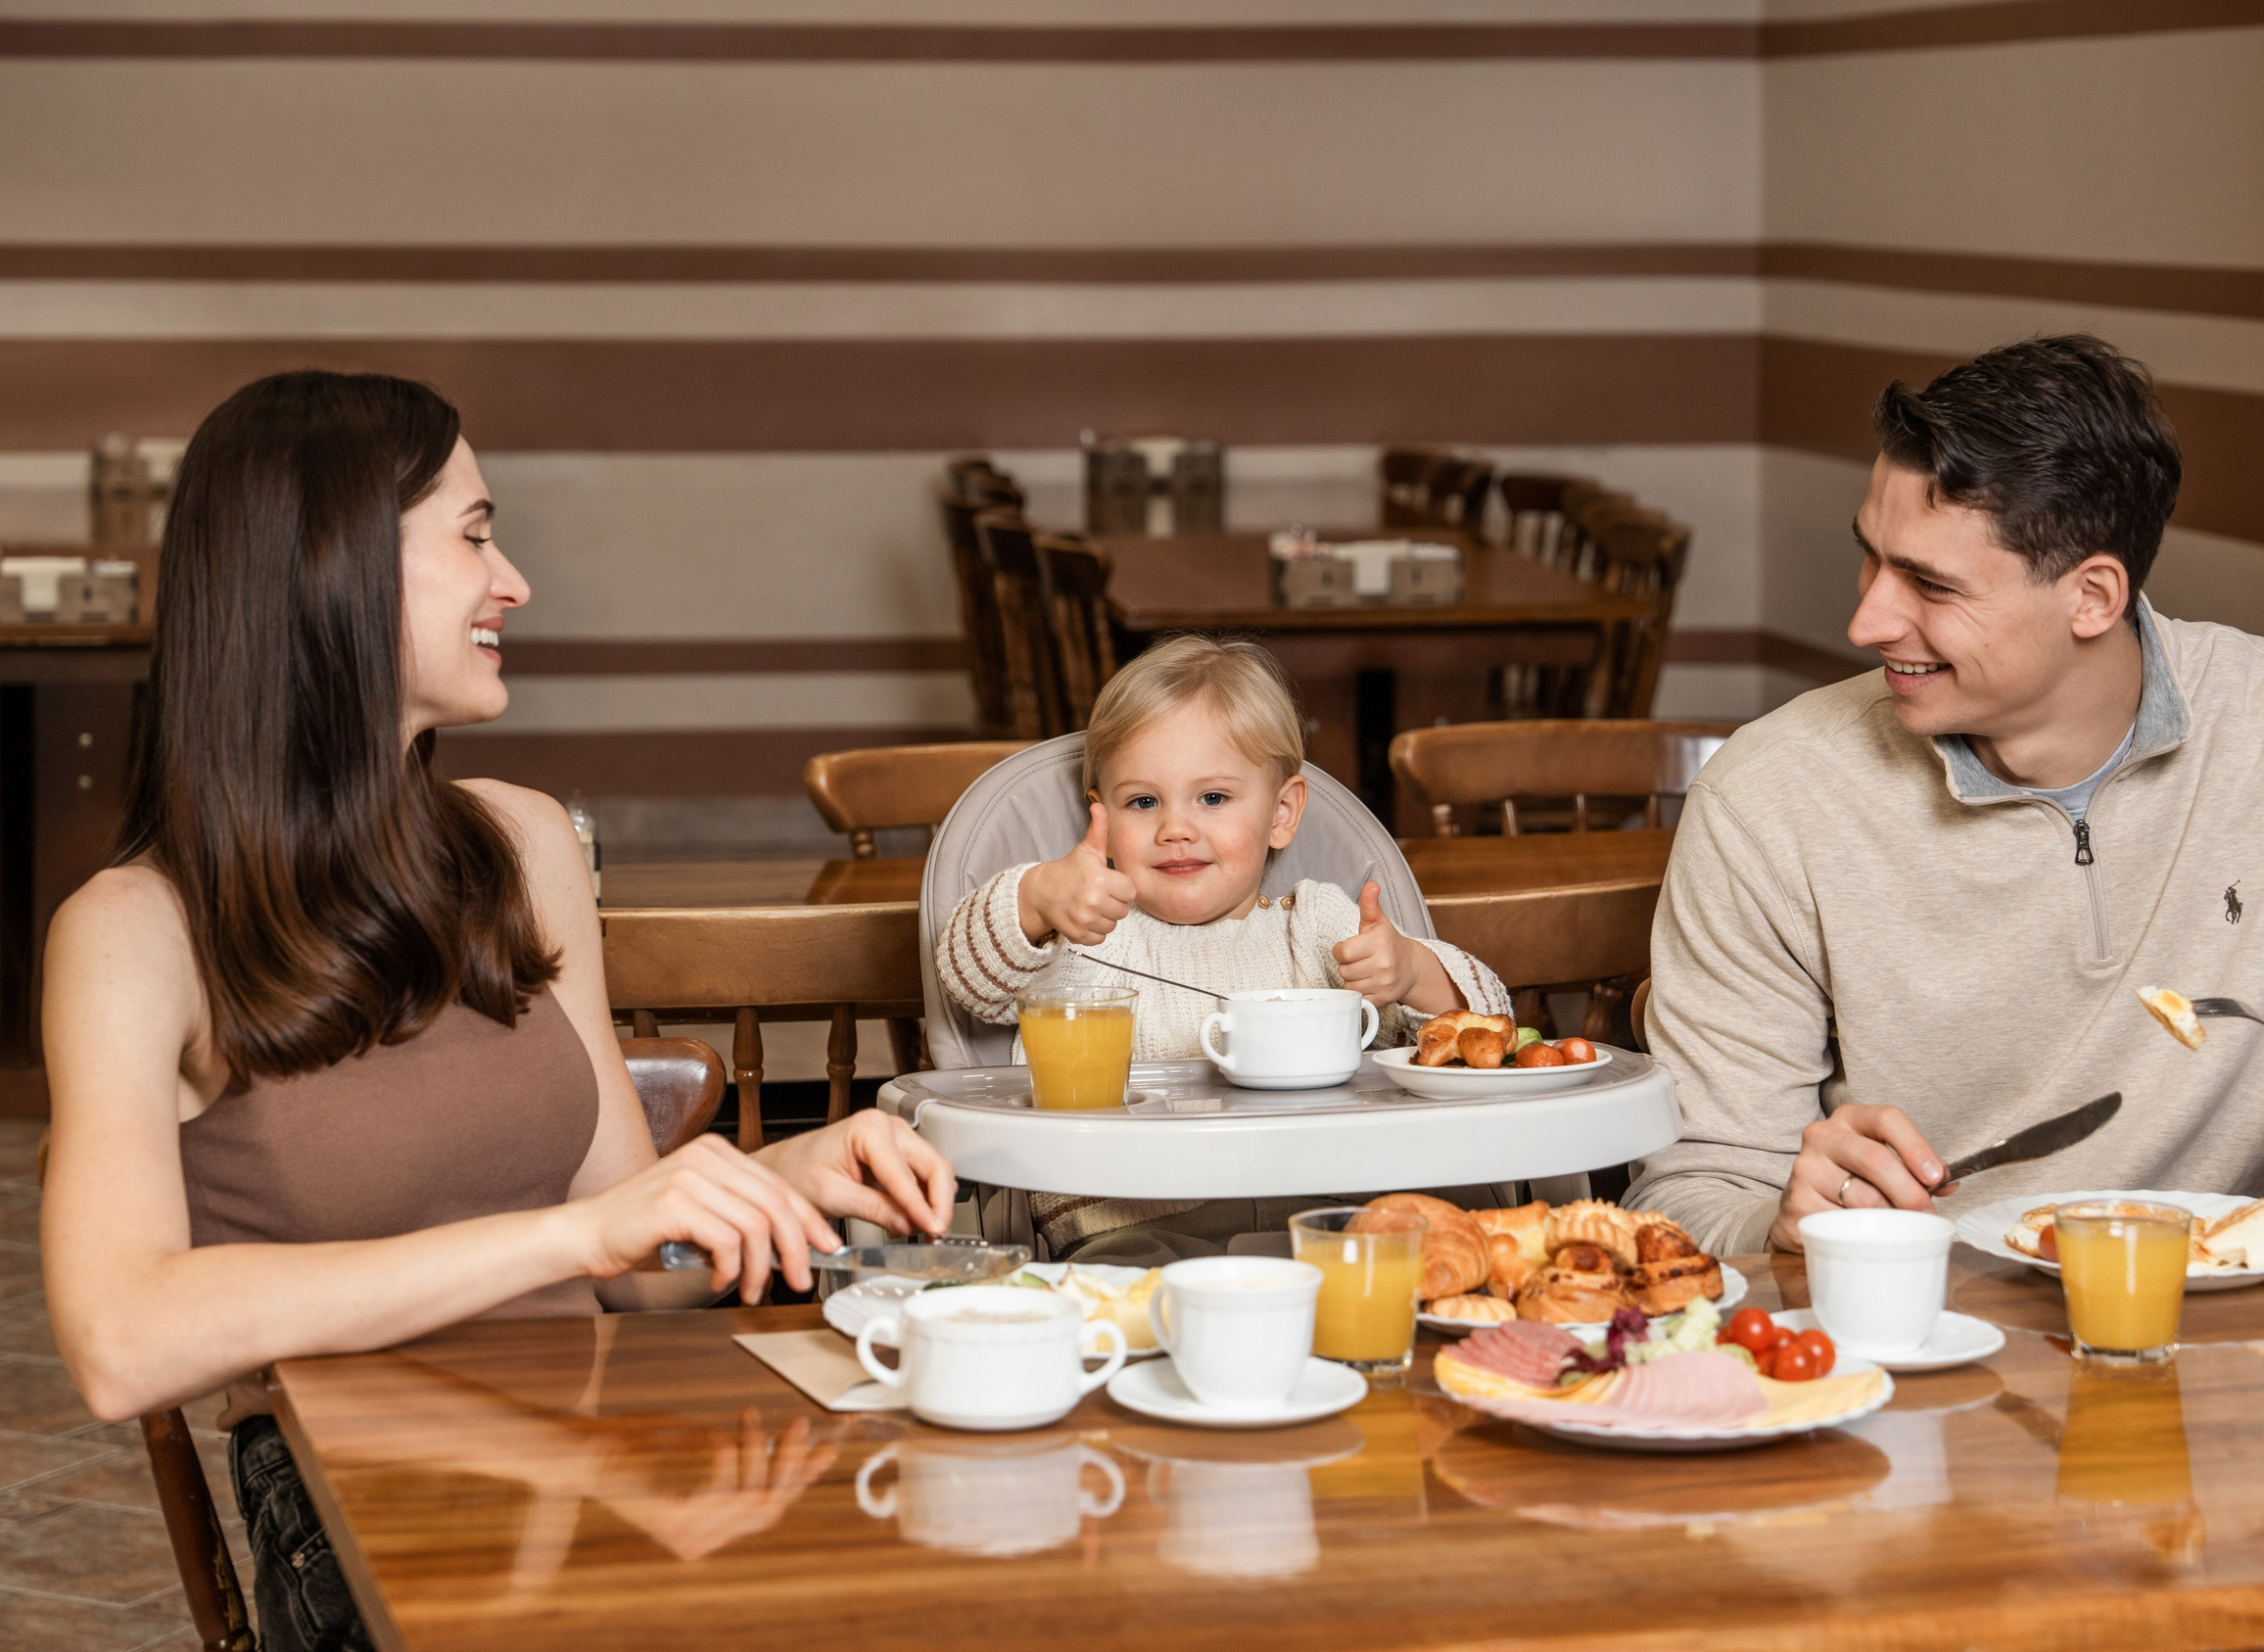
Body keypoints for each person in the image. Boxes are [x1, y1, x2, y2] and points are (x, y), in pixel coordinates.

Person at [39, 371, 956, 1652]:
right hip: (357, 1495)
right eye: (474, 535)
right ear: (331, 569)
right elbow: (121, 1340)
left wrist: (779, 1181)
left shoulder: (523, 845)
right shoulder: (135, 931)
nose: (513, 579)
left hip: (606, 1450)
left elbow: (633, 1277)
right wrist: (573, 1236)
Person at [1626, 335, 2264, 1254]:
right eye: (1873, 559)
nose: (1867, 620)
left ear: (2092, 597)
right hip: (1917, 1361)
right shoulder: (1770, 800)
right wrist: (1780, 1227)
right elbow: (1691, 1191)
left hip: (2241, 1361)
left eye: (1930, 583)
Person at [936, 634, 1513, 1260]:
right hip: (1133, 1221)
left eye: (1213, 798)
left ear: (1282, 813)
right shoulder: (1079, 935)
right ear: (1100, 818)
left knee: (1451, 1241)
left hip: (1335, 1211)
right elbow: (967, 981)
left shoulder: (1317, 924)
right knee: (1123, 1290)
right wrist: (1038, 897)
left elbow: (1484, 1029)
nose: (1176, 828)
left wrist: (1410, 971)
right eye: (1143, 801)